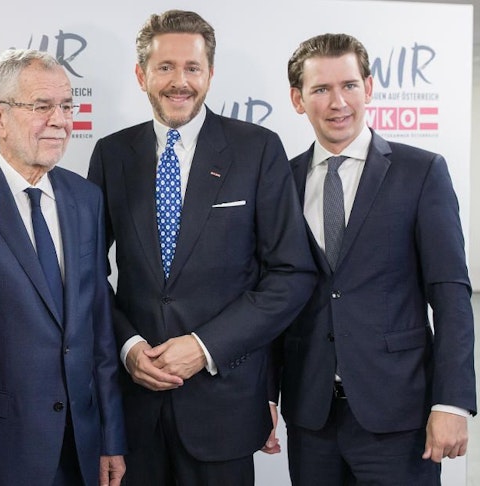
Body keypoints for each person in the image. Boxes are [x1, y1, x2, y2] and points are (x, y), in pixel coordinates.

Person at [86, 10, 316, 485]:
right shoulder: (112, 155)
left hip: (223, 406)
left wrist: (203, 346)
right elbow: (87, 273)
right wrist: (128, 346)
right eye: (165, 67)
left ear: (210, 73)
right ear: (141, 74)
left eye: (192, 68)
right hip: (135, 410)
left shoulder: (257, 149)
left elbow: (291, 274)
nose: (179, 82)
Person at [276, 32, 476, 485]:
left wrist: (452, 402)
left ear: (368, 88)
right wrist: (265, 396)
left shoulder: (421, 171)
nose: (337, 102)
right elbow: (273, 297)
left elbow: (450, 295)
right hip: (312, 417)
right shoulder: (280, 182)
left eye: (348, 85)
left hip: (400, 415)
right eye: (320, 89)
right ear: (297, 98)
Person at [0, 49, 127, 486]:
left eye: (67, 106)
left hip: (82, 447)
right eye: (42, 106)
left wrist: (111, 435)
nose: (60, 119)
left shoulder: (85, 198)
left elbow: (98, 329)